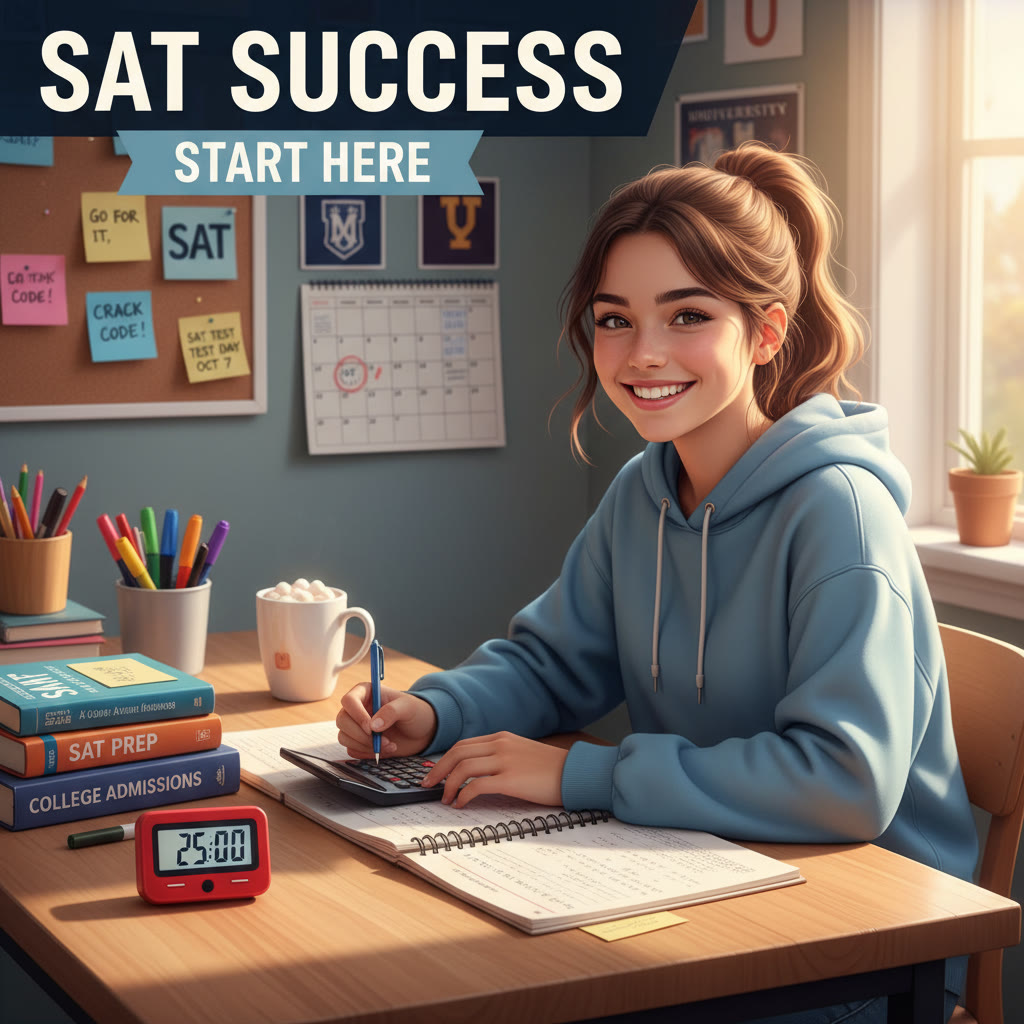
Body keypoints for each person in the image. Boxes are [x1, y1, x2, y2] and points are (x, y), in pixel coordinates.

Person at [337, 141, 978, 1023]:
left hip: (864, 949)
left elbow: (845, 782)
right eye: (614, 320)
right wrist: (439, 712)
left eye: (686, 317)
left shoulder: (841, 513)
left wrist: (582, 777)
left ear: (764, 333)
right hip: (708, 880)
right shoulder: (644, 492)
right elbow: (555, 664)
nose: (643, 354)